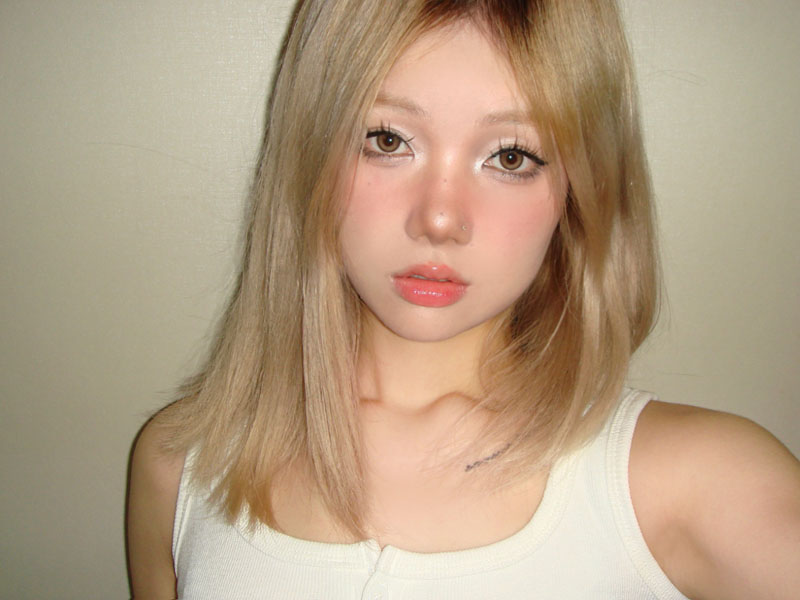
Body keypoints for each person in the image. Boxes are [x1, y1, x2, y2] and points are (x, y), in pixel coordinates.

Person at [127, 0, 800, 598]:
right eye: (387, 140)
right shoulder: (181, 467)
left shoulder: (702, 487)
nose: (440, 219)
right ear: (309, 159)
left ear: (580, 190)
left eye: (510, 156)